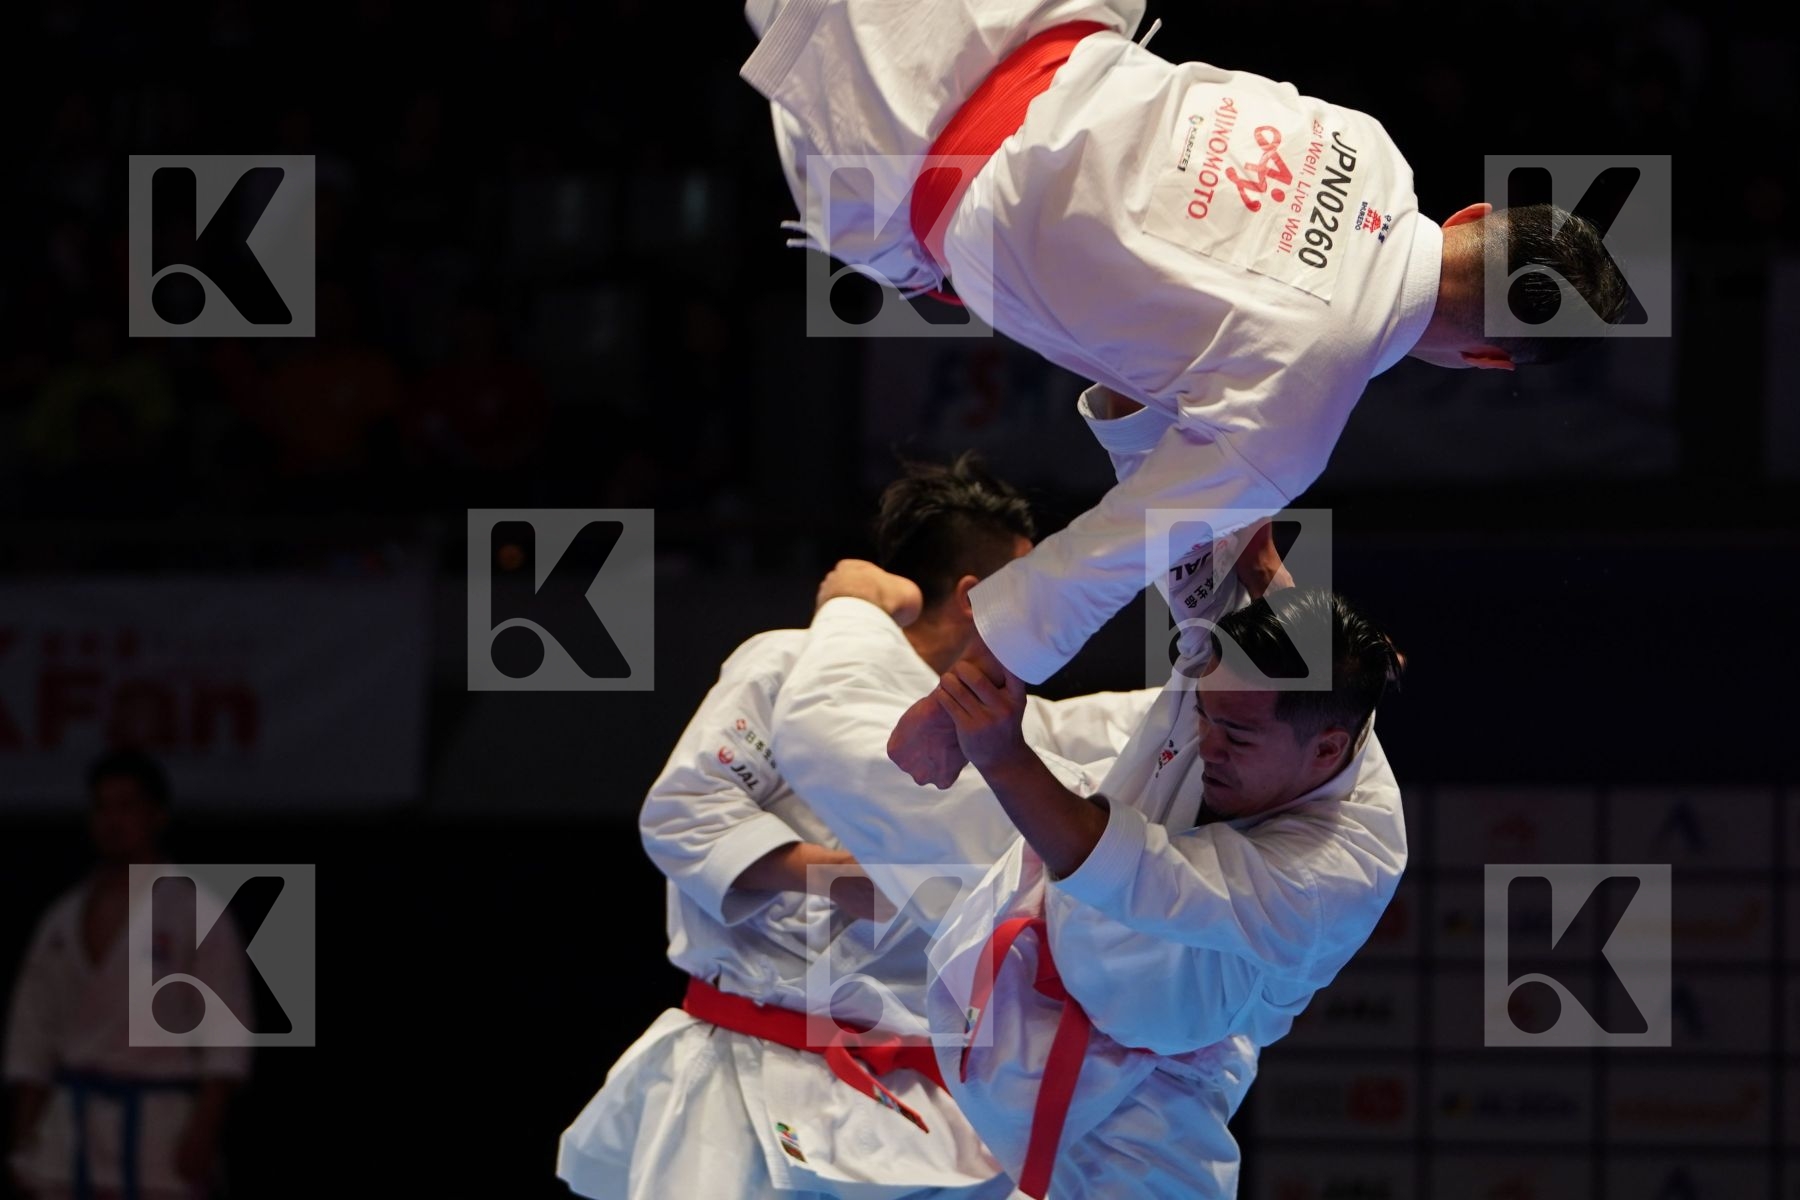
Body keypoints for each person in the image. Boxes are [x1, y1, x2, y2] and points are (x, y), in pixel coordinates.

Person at [741, 0, 1628, 728]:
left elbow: (1174, 357)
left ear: (1473, 215)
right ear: (1482, 357)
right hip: (897, 149)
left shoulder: (1363, 142)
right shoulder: (1290, 429)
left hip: (1013, 22)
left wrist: (1255, 558)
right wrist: (958, 708)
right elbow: (1096, 562)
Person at [557, 454, 1167, 1200]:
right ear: (978, 598)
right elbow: (683, 814)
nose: (1052, 611)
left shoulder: (1013, 731)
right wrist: (833, 876)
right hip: (754, 1069)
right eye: (1032, 586)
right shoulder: (789, 663)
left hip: (927, 1103)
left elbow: (1134, 732)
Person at [920, 585, 1406, 1198]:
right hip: (1038, 935)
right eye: (1203, 711)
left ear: (1330, 749)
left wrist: (1003, 759)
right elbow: (1152, 519)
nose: (1208, 744)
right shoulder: (1270, 688)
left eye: (1237, 735)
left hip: (1153, 1090)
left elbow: (1141, 875)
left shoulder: (1331, 873)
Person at [4, 750, 249, 1200]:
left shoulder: (195, 909)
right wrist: (25, 1138)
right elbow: (32, 1035)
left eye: (127, 806)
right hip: (69, 1127)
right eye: (101, 806)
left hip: (159, 1126)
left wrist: (204, 1131)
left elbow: (226, 1033)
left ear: (157, 816)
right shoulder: (60, 918)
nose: (112, 820)